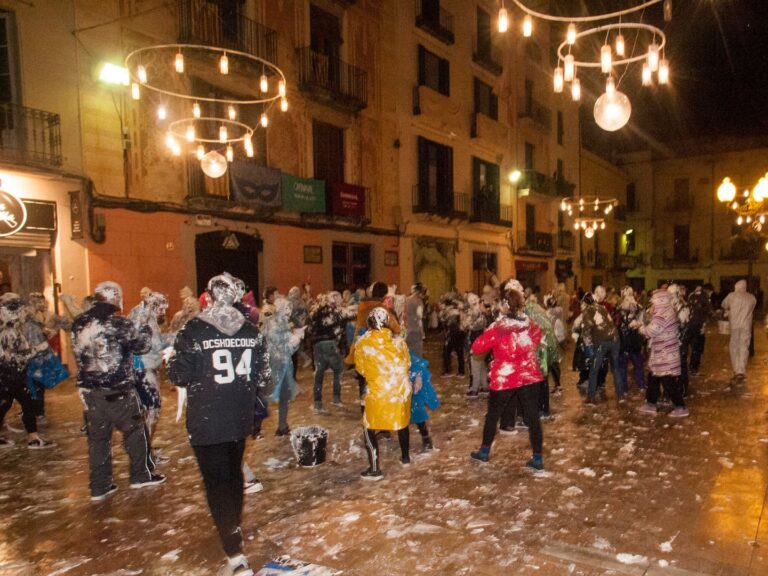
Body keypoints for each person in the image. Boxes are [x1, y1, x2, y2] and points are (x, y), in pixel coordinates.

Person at [168, 273, 269, 576]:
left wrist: (171, 358)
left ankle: (233, 550)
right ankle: (232, 528)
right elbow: (263, 376)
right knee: (233, 474)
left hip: (208, 420)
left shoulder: (194, 330)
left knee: (216, 482)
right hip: (239, 416)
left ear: (209, 297)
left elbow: (178, 376)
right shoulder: (252, 330)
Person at [71, 281, 165, 501]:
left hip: (89, 391)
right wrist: (145, 327)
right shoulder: (118, 324)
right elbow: (142, 346)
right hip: (118, 389)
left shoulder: (79, 323)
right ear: (115, 298)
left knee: (98, 439)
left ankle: (99, 486)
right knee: (136, 431)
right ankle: (141, 475)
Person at [469, 283, 544, 469]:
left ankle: (484, 451)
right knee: (533, 417)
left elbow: (477, 347)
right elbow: (536, 336)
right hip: (529, 376)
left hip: (505, 377)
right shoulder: (528, 324)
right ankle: (537, 458)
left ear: (505, 305)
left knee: (493, 415)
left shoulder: (498, 328)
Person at [354, 307, 413, 480]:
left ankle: (374, 469)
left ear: (369, 324)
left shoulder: (364, 343)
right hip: (400, 392)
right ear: (387, 322)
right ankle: (405, 457)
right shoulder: (399, 342)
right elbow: (407, 363)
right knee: (402, 423)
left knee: (368, 427)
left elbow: (361, 369)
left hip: (379, 393)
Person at [0, 294, 55, 449]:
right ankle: (33, 438)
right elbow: (12, 357)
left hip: (10, 374)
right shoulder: (9, 332)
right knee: (21, 402)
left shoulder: (10, 329)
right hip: (10, 374)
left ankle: (33, 437)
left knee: (11, 403)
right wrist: (37, 349)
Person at [638, 288, 688, 417]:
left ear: (660, 300)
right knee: (653, 377)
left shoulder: (662, 313)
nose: (652, 301)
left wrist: (640, 328)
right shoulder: (667, 310)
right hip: (662, 352)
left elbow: (652, 331)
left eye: (654, 299)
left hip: (665, 354)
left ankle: (680, 406)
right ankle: (650, 403)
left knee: (668, 380)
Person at [264, 297, 304, 435]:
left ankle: (282, 426)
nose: (289, 311)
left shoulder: (285, 324)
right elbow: (276, 346)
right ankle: (255, 426)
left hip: (285, 366)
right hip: (274, 366)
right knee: (265, 396)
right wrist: (293, 340)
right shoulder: (273, 324)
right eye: (286, 308)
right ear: (279, 308)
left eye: (290, 308)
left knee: (284, 396)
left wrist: (296, 340)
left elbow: (289, 350)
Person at [581, 285, 625, 405]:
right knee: (615, 368)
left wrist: (586, 344)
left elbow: (587, 329)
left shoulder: (588, 310)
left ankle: (590, 397)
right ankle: (620, 394)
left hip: (602, 342)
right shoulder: (603, 308)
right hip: (615, 339)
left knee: (594, 370)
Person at [309, 291, 345, 413]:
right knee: (339, 369)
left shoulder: (318, 309)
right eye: (339, 297)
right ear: (334, 299)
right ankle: (336, 398)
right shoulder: (333, 311)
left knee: (319, 373)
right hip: (329, 343)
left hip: (317, 344)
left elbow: (311, 325)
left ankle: (317, 404)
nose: (341, 300)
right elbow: (338, 326)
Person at [721, 279, 756, 382]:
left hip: (735, 326)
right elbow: (753, 307)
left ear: (736, 286)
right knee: (744, 347)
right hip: (746, 326)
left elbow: (723, 305)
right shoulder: (751, 297)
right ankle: (741, 370)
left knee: (734, 347)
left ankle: (736, 370)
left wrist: (729, 311)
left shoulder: (731, 296)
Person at [614, 287, 646, 391]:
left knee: (634, 364)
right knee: (633, 364)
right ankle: (630, 385)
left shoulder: (636, 307)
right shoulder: (620, 308)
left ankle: (632, 385)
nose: (627, 296)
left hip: (630, 341)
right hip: (627, 341)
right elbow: (615, 324)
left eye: (629, 294)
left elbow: (643, 322)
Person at [408, 351, 439, 451]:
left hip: (406, 380)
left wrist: (418, 375)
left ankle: (425, 437)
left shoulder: (400, 345)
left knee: (416, 407)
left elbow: (417, 362)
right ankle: (384, 430)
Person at [687, 285, 713, 375]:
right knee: (697, 347)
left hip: (690, 325)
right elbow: (709, 311)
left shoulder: (691, 296)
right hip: (698, 325)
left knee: (694, 346)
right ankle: (694, 367)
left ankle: (692, 366)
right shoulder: (705, 297)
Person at [404, 283, 427, 356]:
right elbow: (419, 317)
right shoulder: (418, 301)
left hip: (407, 329)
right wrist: (422, 333)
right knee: (417, 354)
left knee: (408, 353)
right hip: (416, 330)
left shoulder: (406, 299)